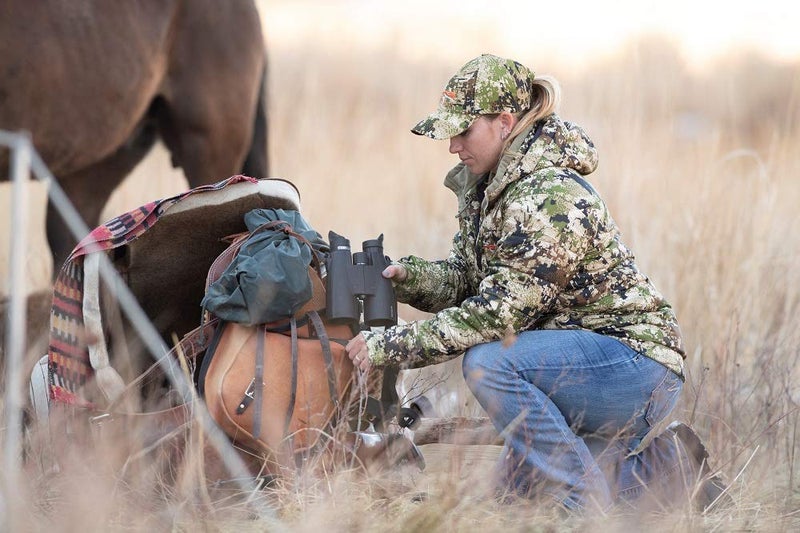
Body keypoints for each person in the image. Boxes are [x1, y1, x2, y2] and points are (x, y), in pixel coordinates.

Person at [345, 54, 722, 512]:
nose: (452, 146)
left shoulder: (548, 196)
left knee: (488, 363)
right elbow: (471, 280)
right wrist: (408, 278)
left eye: (463, 131)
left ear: (505, 122)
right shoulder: (491, 187)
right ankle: (675, 470)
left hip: (633, 365)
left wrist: (391, 345)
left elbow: (497, 314)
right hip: (582, 365)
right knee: (518, 494)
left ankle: (581, 509)